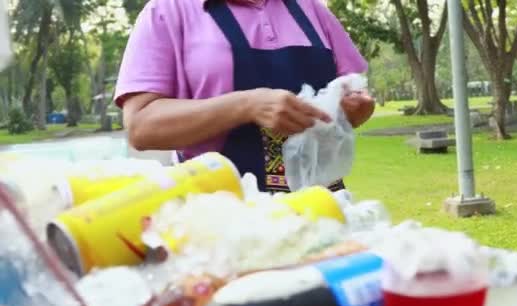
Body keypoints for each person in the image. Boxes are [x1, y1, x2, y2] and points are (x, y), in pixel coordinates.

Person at [114, 0, 375, 193]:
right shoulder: (166, 12)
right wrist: (245, 105)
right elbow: (141, 125)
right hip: (222, 214)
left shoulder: (311, 9)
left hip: (322, 206)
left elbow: (354, 92)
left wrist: (354, 109)